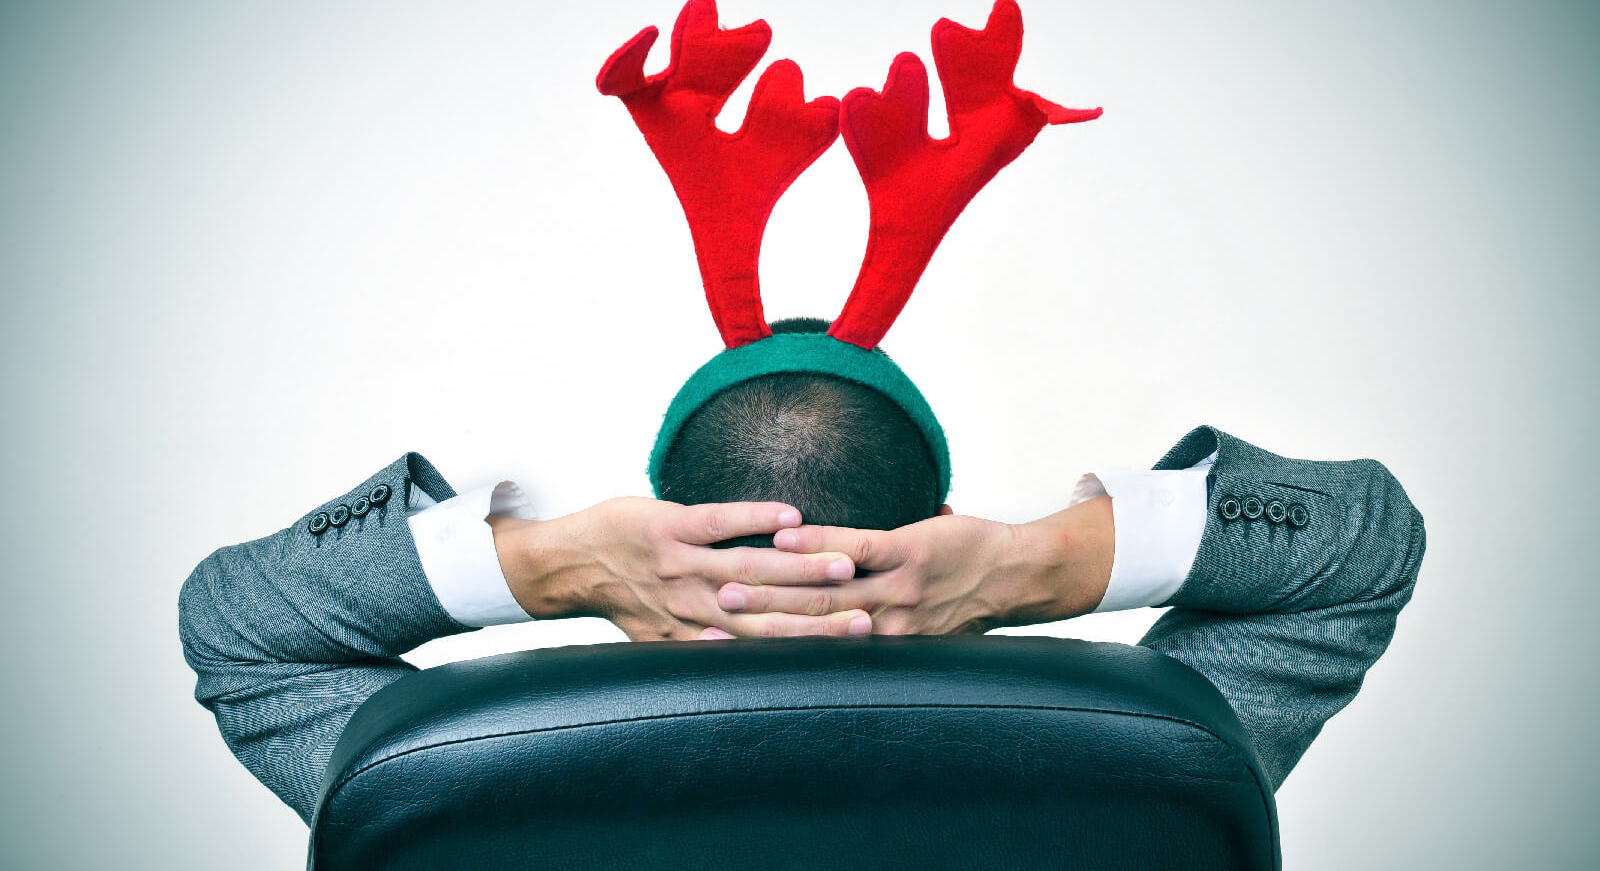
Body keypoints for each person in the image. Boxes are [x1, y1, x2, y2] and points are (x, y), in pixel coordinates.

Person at [177, 363, 1425, 820]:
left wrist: (550, 564)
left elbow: (236, 623)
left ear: (662, 522)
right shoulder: (1152, 746)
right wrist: (1031, 563)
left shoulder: (448, 769)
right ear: (933, 517)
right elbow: (1364, 540)